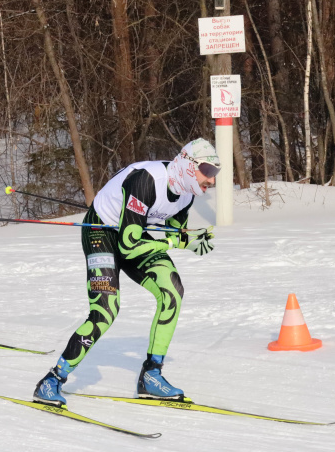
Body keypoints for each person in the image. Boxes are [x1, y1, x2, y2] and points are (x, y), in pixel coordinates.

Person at [32, 138, 220, 407]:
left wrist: (191, 238)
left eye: (215, 173)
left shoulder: (189, 194)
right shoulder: (147, 180)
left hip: (132, 233)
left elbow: (174, 233)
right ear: (188, 165)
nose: (211, 180)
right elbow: (129, 245)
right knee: (105, 311)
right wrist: (181, 242)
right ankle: (52, 380)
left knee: (172, 291)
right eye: (207, 171)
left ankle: (151, 376)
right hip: (102, 232)